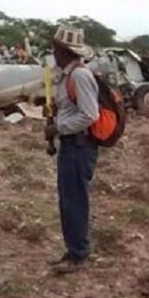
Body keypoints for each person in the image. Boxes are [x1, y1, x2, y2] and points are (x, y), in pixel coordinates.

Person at [44, 25, 99, 274]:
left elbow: (90, 115)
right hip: (71, 145)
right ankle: (73, 250)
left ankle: (78, 254)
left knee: (74, 201)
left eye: (56, 48)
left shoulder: (79, 76)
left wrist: (58, 128)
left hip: (79, 146)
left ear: (63, 50)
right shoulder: (67, 75)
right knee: (68, 201)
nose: (53, 52)